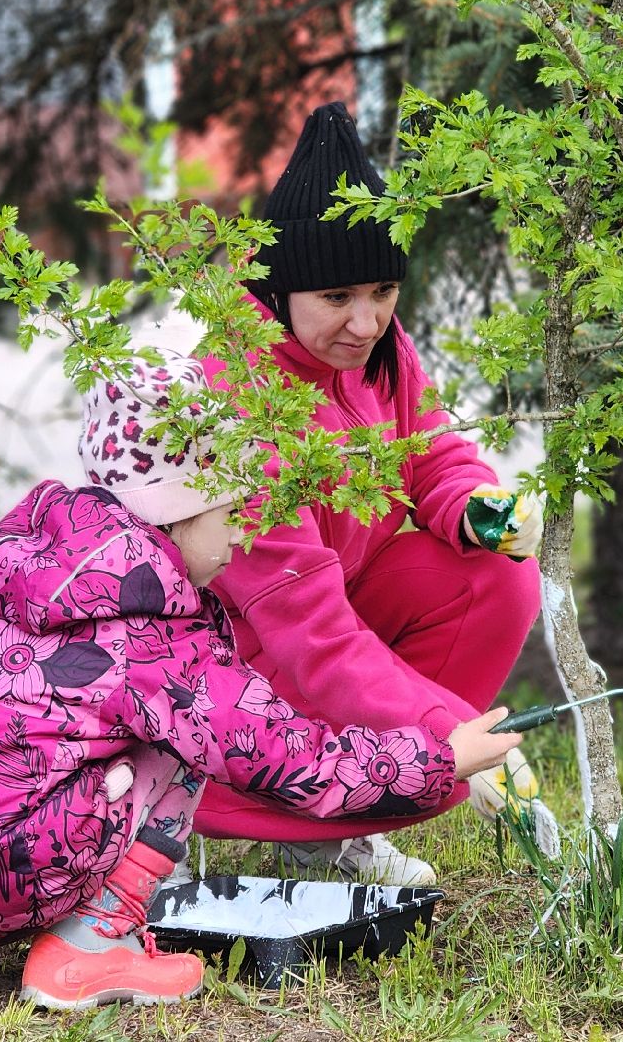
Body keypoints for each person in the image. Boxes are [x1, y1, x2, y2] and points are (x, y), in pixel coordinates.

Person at [0, 353, 524, 1008]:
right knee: (178, 746)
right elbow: (281, 755)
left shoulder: (8, 570)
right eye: (231, 513)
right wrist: (436, 758)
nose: (244, 535)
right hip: (8, 877)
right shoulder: (161, 640)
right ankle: (89, 946)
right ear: (175, 512)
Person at [192, 101, 554, 885]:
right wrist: (445, 738)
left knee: (494, 574)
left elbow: (430, 453)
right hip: (223, 663)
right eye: (337, 298)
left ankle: (348, 811)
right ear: (280, 290)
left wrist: (474, 509)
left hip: (324, 616)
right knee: (417, 742)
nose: (365, 322)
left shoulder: (379, 347)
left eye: (384, 290)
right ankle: (301, 806)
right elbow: (302, 628)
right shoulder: (240, 399)